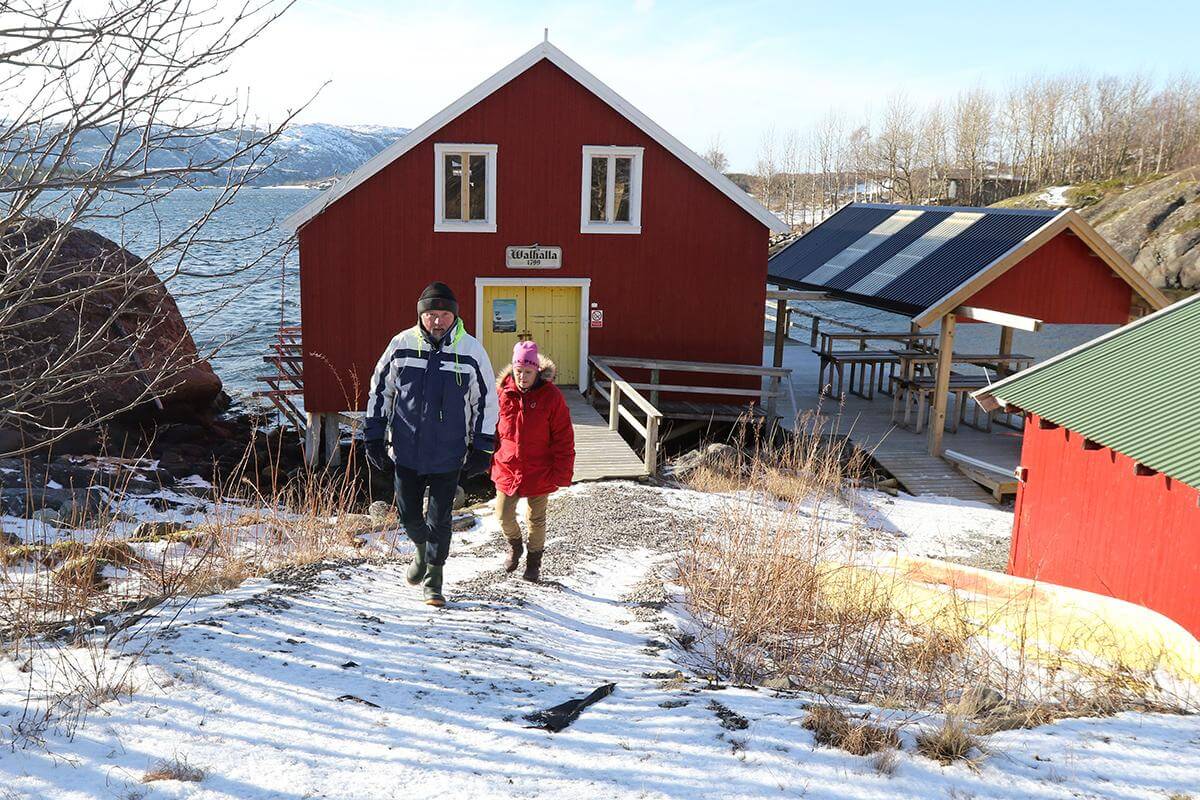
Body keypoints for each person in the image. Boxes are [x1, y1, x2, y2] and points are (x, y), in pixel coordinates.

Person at [363, 281, 498, 607]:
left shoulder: (470, 351)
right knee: (409, 515)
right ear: (421, 315)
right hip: (406, 449)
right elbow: (381, 391)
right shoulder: (401, 345)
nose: (437, 321)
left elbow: (486, 401)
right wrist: (374, 435)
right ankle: (421, 555)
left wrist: (481, 446)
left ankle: (434, 580)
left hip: (449, 453)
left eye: (443, 315)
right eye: (431, 315)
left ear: (454, 317)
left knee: (440, 519)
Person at [491, 340, 575, 582]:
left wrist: (562, 473)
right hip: (508, 465)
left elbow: (563, 437)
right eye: (518, 371)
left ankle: (534, 562)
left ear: (537, 370)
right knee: (503, 514)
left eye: (528, 372)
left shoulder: (552, 397)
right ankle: (515, 546)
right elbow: (492, 432)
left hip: (540, 468)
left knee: (536, 519)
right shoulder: (501, 394)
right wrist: (487, 461)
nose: (522, 377)